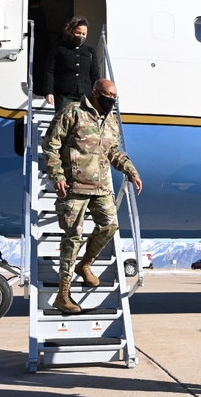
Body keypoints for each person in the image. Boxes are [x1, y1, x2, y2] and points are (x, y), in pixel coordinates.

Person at [42, 78, 143, 314]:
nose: (111, 102)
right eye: (108, 97)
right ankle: (63, 294)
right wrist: (57, 176)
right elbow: (51, 144)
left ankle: (85, 264)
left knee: (110, 226)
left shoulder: (111, 122)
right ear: (96, 94)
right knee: (73, 238)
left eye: (114, 98)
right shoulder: (72, 112)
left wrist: (131, 171)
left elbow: (114, 152)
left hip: (101, 188)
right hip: (74, 187)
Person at [44, 16, 100, 114]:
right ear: (70, 31)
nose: (81, 36)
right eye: (78, 33)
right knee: (62, 122)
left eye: (84, 34)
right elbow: (50, 71)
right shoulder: (59, 48)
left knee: (83, 126)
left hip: (85, 96)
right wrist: (49, 91)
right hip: (63, 94)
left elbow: (95, 74)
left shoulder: (90, 51)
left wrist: (97, 95)